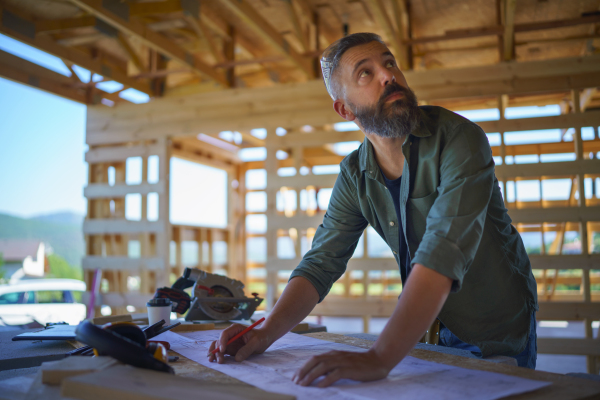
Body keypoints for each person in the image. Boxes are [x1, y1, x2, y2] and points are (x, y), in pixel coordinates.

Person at [207, 32, 538, 387]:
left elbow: (444, 249)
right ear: (345, 109)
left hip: (495, 329)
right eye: (365, 73)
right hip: (426, 329)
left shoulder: (460, 139)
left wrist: (379, 357)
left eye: (389, 62)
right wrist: (264, 334)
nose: (388, 75)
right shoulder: (354, 175)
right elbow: (321, 263)